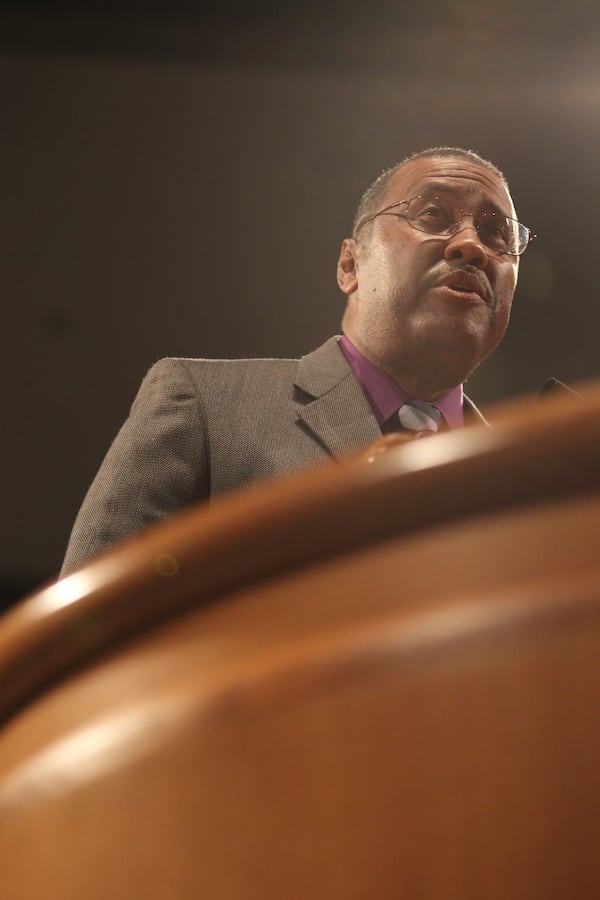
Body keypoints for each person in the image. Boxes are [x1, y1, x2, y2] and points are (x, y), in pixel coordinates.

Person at [61, 146, 534, 574]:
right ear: (350, 266)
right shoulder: (206, 406)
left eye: (496, 233)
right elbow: (85, 639)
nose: (471, 245)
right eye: (433, 213)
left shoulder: (530, 487)